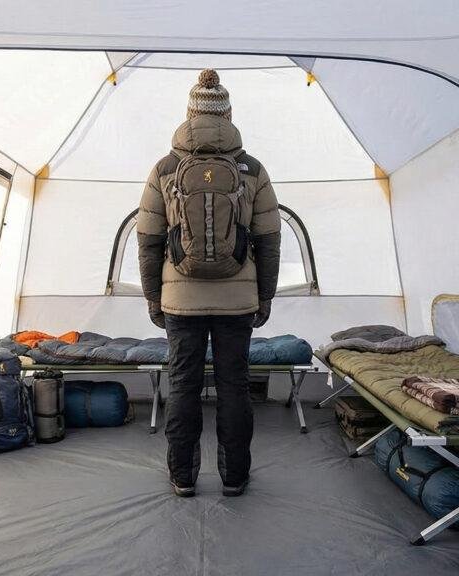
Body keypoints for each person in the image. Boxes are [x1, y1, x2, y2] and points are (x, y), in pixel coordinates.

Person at [136, 69, 281, 497]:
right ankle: (234, 477)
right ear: (229, 114)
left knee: (183, 384)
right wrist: (264, 296)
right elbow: (269, 239)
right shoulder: (251, 168)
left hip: (180, 300)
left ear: (188, 114)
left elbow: (148, 240)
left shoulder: (165, 167)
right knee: (234, 385)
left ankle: (183, 476)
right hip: (238, 300)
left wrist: (153, 298)